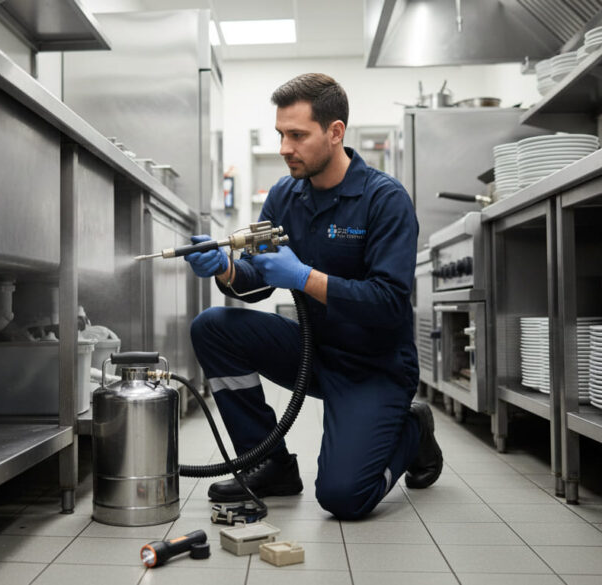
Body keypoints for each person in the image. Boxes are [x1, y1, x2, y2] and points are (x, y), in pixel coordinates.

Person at [184, 73, 443, 520]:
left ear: (335, 132)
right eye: (281, 134)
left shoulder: (384, 200)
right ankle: (270, 463)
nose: (285, 147)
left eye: (298, 135)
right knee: (213, 326)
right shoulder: (284, 195)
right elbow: (259, 281)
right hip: (313, 351)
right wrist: (225, 269)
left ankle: (412, 431)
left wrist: (305, 277)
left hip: (374, 366)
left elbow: (388, 302)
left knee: (344, 498)